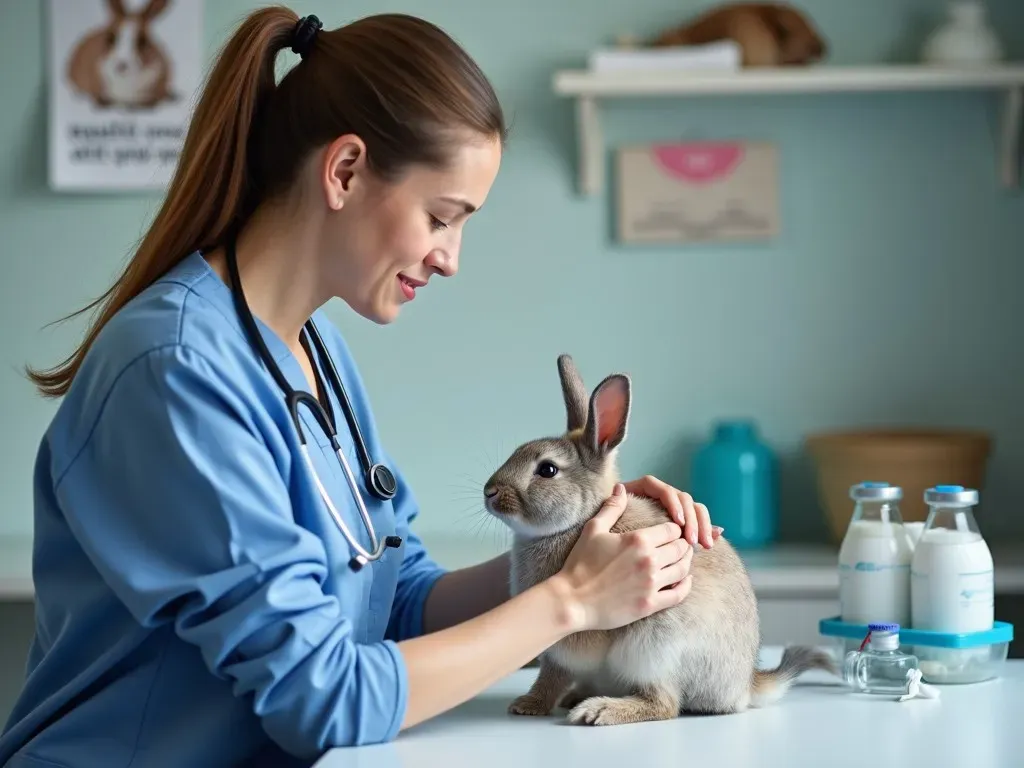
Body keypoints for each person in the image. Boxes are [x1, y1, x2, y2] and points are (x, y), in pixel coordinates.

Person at [0, 8, 721, 768]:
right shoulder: (175, 372)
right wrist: (570, 603)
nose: (451, 259)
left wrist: (576, 542)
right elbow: (324, 698)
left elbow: (391, 600)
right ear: (344, 171)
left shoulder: (316, 351)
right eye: (443, 218)